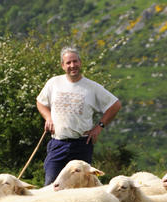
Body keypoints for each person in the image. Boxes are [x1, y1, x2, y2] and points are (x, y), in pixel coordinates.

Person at [36, 47, 121, 185]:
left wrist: (99, 127)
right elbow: (40, 102)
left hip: (82, 144)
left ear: (80, 63)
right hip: (58, 143)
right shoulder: (53, 83)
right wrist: (48, 117)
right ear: (62, 66)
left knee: (82, 187)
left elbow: (115, 105)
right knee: (52, 184)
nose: (72, 66)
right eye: (68, 63)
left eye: (75, 61)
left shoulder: (92, 87)